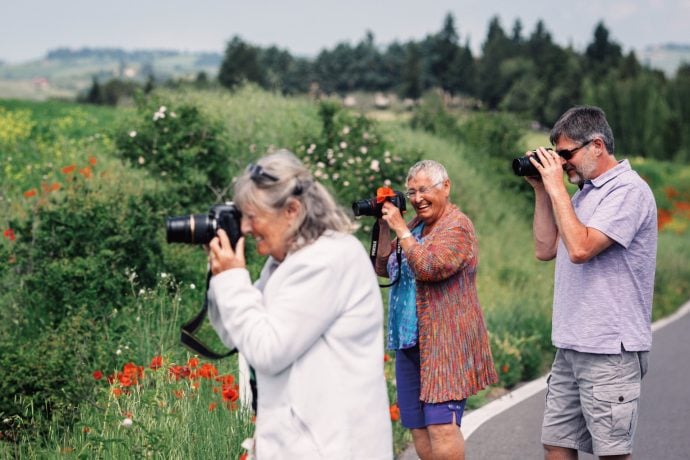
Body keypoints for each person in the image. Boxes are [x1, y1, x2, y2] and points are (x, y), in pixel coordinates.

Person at [206, 150, 393, 459]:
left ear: (291, 210)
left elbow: (268, 351)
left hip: (331, 448)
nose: (247, 228)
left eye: (252, 217)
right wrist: (220, 278)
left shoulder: (326, 262)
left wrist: (234, 279)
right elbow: (236, 334)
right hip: (300, 444)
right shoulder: (286, 262)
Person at [526, 106, 657, 460]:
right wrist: (542, 189)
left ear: (597, 145)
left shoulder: (628, 191)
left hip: (609, 348)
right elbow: (544, 249)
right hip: (571, 344)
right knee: (557, 445)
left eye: (566, 154)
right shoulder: (584, 193)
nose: (561, 163)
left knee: (611, 453)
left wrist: (557, 190)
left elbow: (582, 248)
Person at [374, 159, 498, 460]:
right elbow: (383, 267)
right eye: (411, 192)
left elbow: (430, 266)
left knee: (442, 427)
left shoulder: (457, 227)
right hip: (409, 343)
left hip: (445, 345)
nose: (417, 199)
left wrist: (401, 228)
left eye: (424, 190)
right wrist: (384, 226)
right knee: (418, 427)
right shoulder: (415, 225)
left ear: (446, 186)